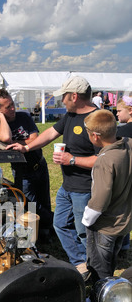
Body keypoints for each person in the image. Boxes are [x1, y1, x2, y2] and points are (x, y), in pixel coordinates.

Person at [7, 75, 99, 280]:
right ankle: (80, 263)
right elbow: (50, 133)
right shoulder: (70, 116)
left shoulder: (97, 120)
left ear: (74, 96)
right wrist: (27, 147)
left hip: (85, 188)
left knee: (84, 232)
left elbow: (104, 159)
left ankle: (96, 270)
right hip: (68, 187)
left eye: (64, 97)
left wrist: (72, 160)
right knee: (60, 224)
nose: (61, 100)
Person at [0, 88, 53, 240]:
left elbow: (35, 139)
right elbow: (5, 138)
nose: (13, 109)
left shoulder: (24, 116)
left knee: (44, 200)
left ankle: (47, 230)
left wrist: (16, 143)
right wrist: (2, 119)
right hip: (23, 173)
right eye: (7, 107)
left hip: (40, 165)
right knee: (31, 204)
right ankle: (52, 223)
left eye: (13, 104)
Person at [82, 109, 132, 280]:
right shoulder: (128, 145)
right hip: (123, 221)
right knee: (110, 261)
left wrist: (87, 219)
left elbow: (101, 198)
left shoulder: (104, 160)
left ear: (95, 136)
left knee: (98, 267)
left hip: (105, 225)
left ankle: (101, 300)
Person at [116, 95, 132, 255]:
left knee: (121, 210)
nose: (117, 114)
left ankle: (122, 246)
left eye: (120, 111)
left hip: (124, 176)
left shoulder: (123, 131)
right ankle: (125, 246)